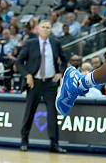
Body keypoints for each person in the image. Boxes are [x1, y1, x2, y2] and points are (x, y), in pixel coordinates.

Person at [16, 20, 68, 153]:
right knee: (29, 112)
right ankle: (24, 141)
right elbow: (19, 62)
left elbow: (64, 60)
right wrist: (27, 75)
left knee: (52, 113)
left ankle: (54, 144)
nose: (46, 29)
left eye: (48, 27)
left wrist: (60, 72)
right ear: (38, 29)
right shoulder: (30, 43)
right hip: (34, 82)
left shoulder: (55, 43)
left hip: (50, 83)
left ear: (50, 30)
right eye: (43, 27)